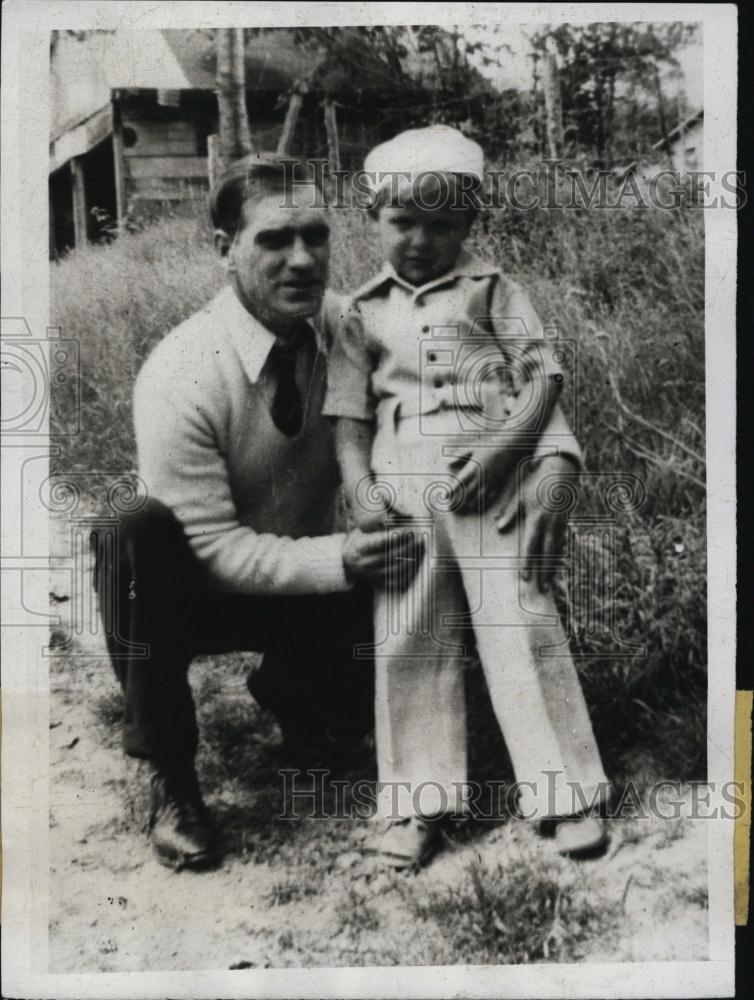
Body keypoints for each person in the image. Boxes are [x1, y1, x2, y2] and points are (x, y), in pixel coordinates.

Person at [93, 153, 421, 872]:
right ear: (225, 249)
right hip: (196, 593)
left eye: (316, 235)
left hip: (308, 580)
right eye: (274, 239)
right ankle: (172, 779)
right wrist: (341, 558)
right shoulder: (182, 369)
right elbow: (211, 547)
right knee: (129, 531)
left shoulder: (354, 329)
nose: (302, 260)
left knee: (401, 540)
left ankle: (301, 702)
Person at [323, 126, 610, 868]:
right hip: (404, 496)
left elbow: (542, 378)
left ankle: (565, 793)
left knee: (521, 621)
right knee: (409, 635)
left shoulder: (493, 291)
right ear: (374, 217)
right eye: (402, 222)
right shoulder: (359, 311)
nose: (421, 241)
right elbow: (349, 419)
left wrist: (505, 451)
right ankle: (418, 802)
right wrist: (362, 493)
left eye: (442, 224)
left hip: (492, 487)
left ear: (469, 222)